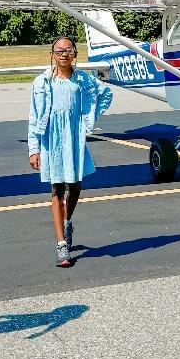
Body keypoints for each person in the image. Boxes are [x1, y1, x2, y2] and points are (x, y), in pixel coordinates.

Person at [28, 36, 114, 267]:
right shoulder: (41, 83)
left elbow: (105, 94)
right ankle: (61, 244)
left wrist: (88, 117)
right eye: (59, 50)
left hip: (74, 138)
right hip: (51, 139)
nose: (64, 54)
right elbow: (34, 117)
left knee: (74, 186)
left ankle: (67, 222)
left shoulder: (83, 80)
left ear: (75, 54)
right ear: (52, 54)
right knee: (56, 187)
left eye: (69, 50)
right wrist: (33, 149)